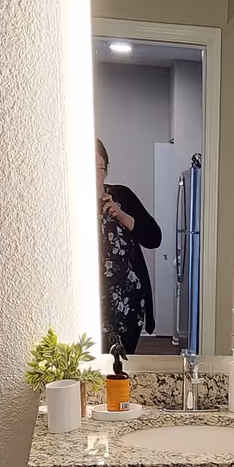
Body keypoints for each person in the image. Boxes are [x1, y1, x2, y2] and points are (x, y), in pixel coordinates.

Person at [96, 138, 161, 356]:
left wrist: (123, 216)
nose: (94, 175)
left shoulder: (122, 196)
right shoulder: (69, 203)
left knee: (123, 368)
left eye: (99, 168)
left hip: (127, 306)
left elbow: (154, 238)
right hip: (90, 305)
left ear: (106, 170)